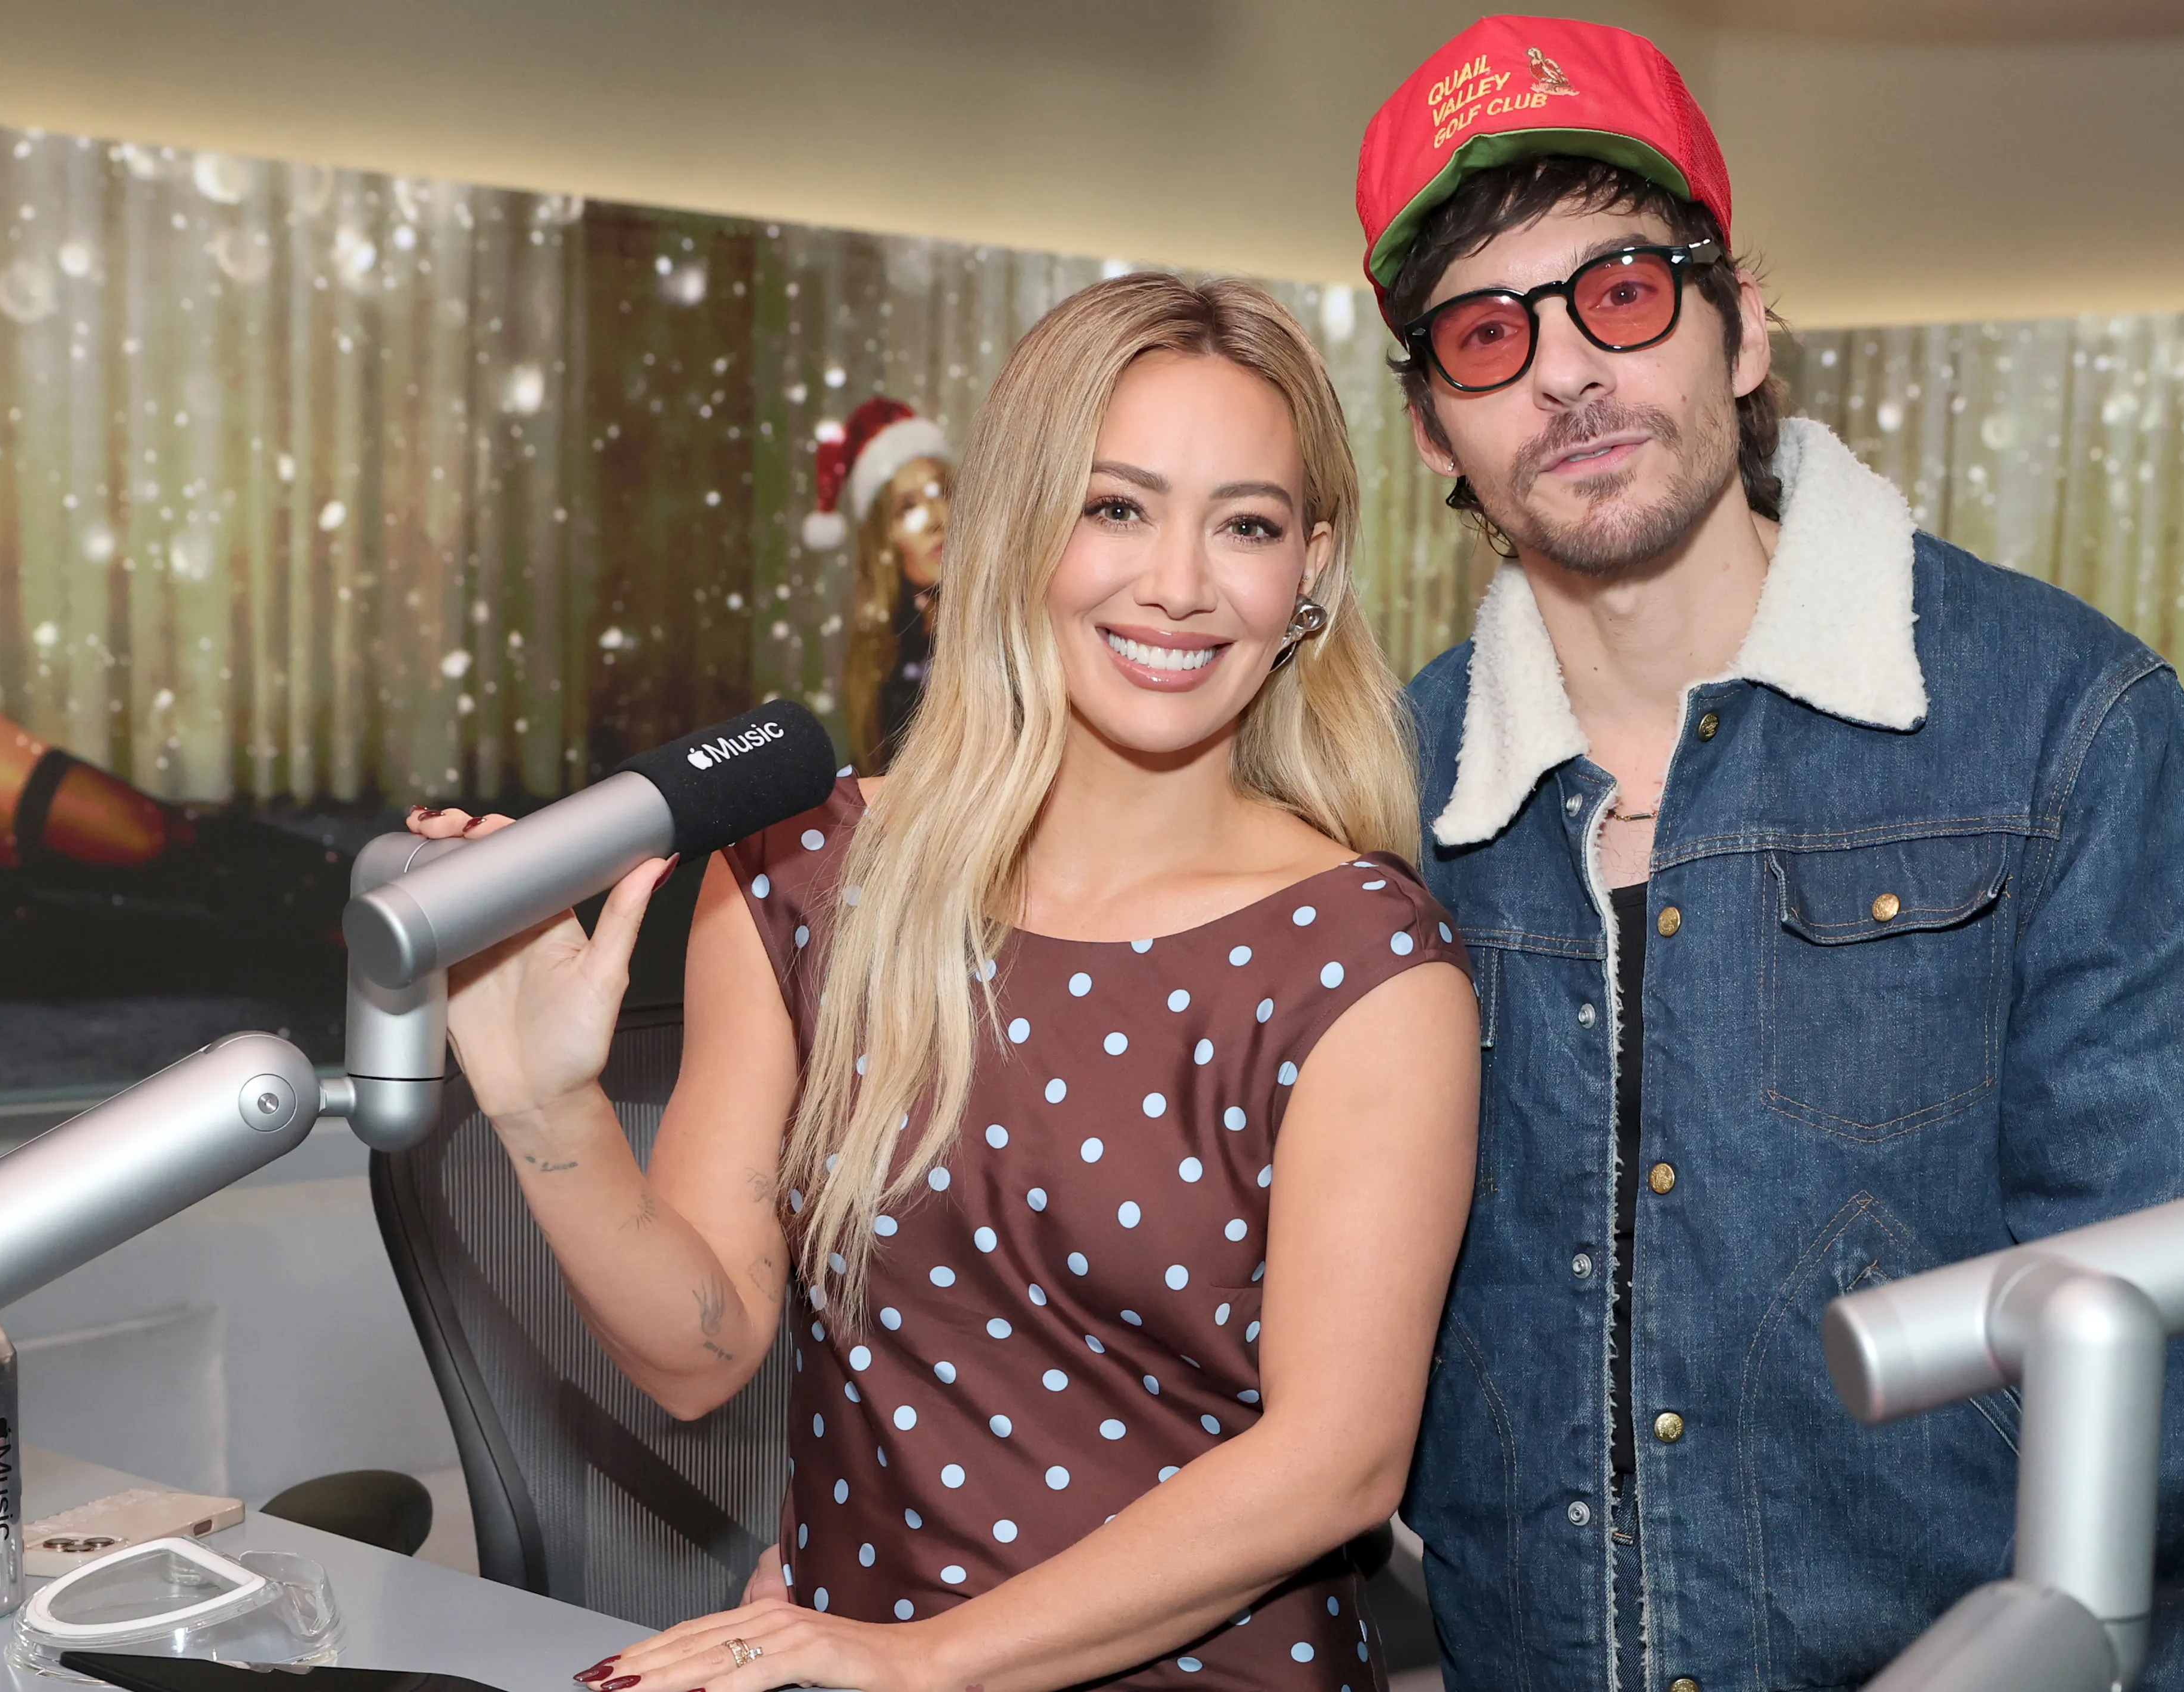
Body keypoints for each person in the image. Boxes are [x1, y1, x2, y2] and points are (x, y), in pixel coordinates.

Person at [1359, 17, 2184, 1692]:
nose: (1569, 374)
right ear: (1435, 429)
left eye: (1626, 296)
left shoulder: (2058, 724)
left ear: (1742, 330)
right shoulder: (1391, 787)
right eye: (1489, 335)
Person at [413, 273, 1479, 1690]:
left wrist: (924, 1661)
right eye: (1116, 506)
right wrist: (550, 1099)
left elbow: (1335, 1464)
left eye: (1246, 524)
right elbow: (699, 1350)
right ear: (1016, 530)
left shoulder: (1359, 959)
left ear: (1311, 574)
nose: (1178, 581)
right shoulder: (804, 868)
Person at [804, 396, 955, 769]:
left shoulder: (1004, 626)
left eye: (941, 494)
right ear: (883, 538)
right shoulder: (883, 657)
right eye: (908, 508)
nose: (936, 519)